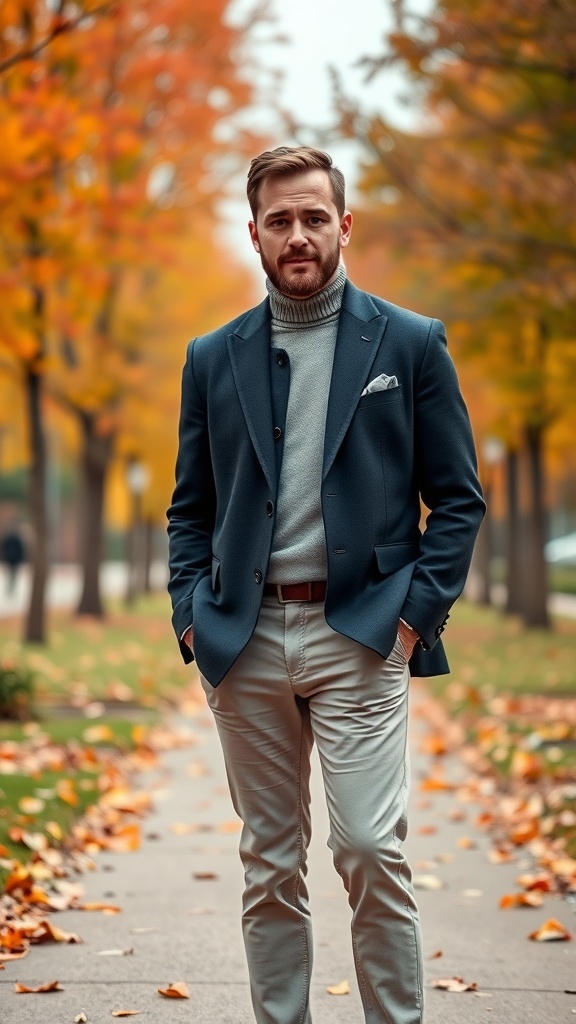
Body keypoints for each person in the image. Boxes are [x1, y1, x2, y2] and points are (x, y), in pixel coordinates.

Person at [167, 145, 485, 1024]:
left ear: (344, 226)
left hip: (363, 633)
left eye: (314, 217)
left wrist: (415, 619)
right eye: (280, 221)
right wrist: (190, 616)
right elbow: (189, 507)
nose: (297, 235)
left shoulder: (411, 343)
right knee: (270, 863)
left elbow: (458, 499)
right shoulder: (211, 357)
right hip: (245, 638)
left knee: (371, 848)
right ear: (255, 235)